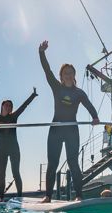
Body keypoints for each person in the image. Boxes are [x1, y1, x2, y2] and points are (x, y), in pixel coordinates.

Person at [39, 40, 99, 202]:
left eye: (71, 72)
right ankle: (48, 196)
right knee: (52, 163)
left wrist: (95, 117)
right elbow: (47, 70)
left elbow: (90, 106)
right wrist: (41, 52)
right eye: (65, 72)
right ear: (61, 76)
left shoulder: (79, 93)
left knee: (73, 163)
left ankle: (79, 196)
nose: (68, 75)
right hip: (56, 129)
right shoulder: (56, 87)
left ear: (74, 75)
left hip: (72, 129)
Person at [0, 88, 38, 200]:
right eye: (7, 105)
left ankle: (19, 197)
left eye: (11, 106)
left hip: (14, 149)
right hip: (1, 150)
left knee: (16, 173)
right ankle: (2, 197)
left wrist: (33, 95)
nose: (9, 107)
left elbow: (24, 106)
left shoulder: (13, 117)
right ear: (2, 106)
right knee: (1, 175)